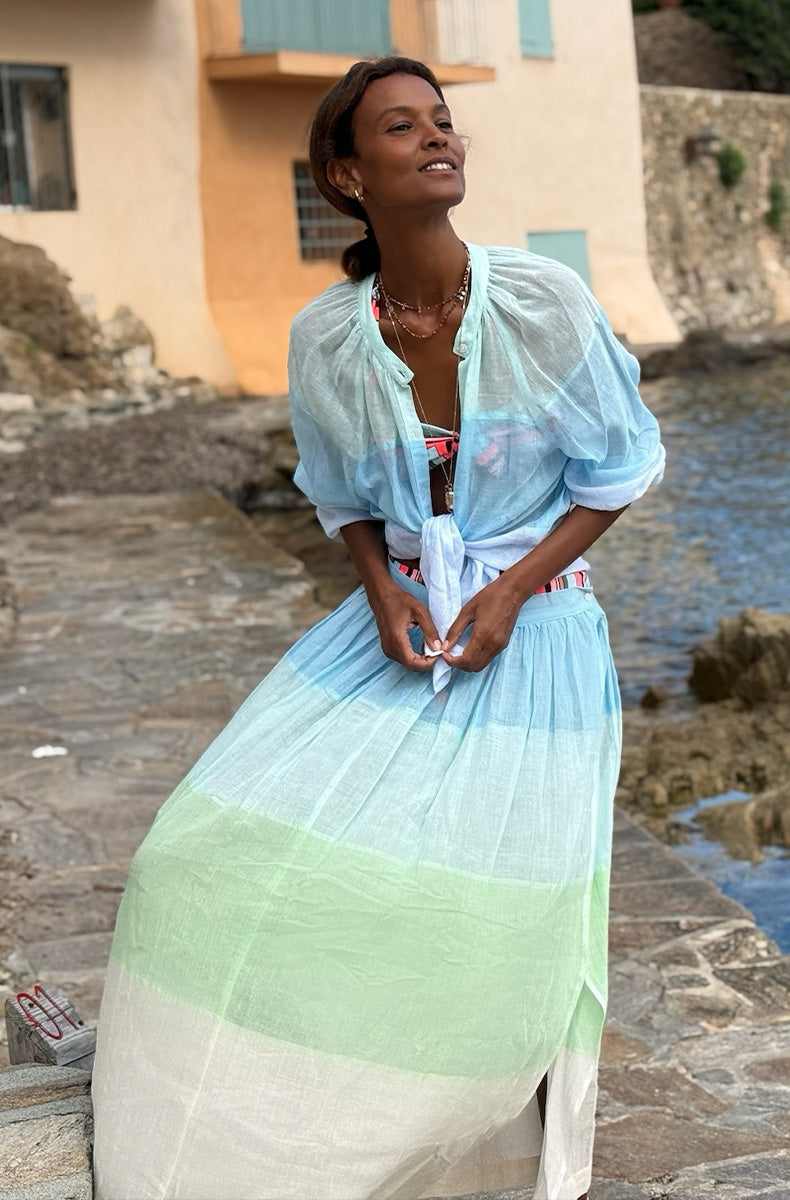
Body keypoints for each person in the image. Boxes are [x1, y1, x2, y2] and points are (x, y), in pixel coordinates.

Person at [90, 56, 664, 1200]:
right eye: (403, 128)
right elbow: (340, 495)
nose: (439, 139)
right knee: (198, 859)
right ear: (347, 174)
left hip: (536, 634)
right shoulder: (329, 338)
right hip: (393, 627)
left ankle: (484, 1147)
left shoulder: (546, 302)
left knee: (493, 912)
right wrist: (379, 586)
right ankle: (262, 1135)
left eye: (444, 122)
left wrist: (508, 590)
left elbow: (623, 468)